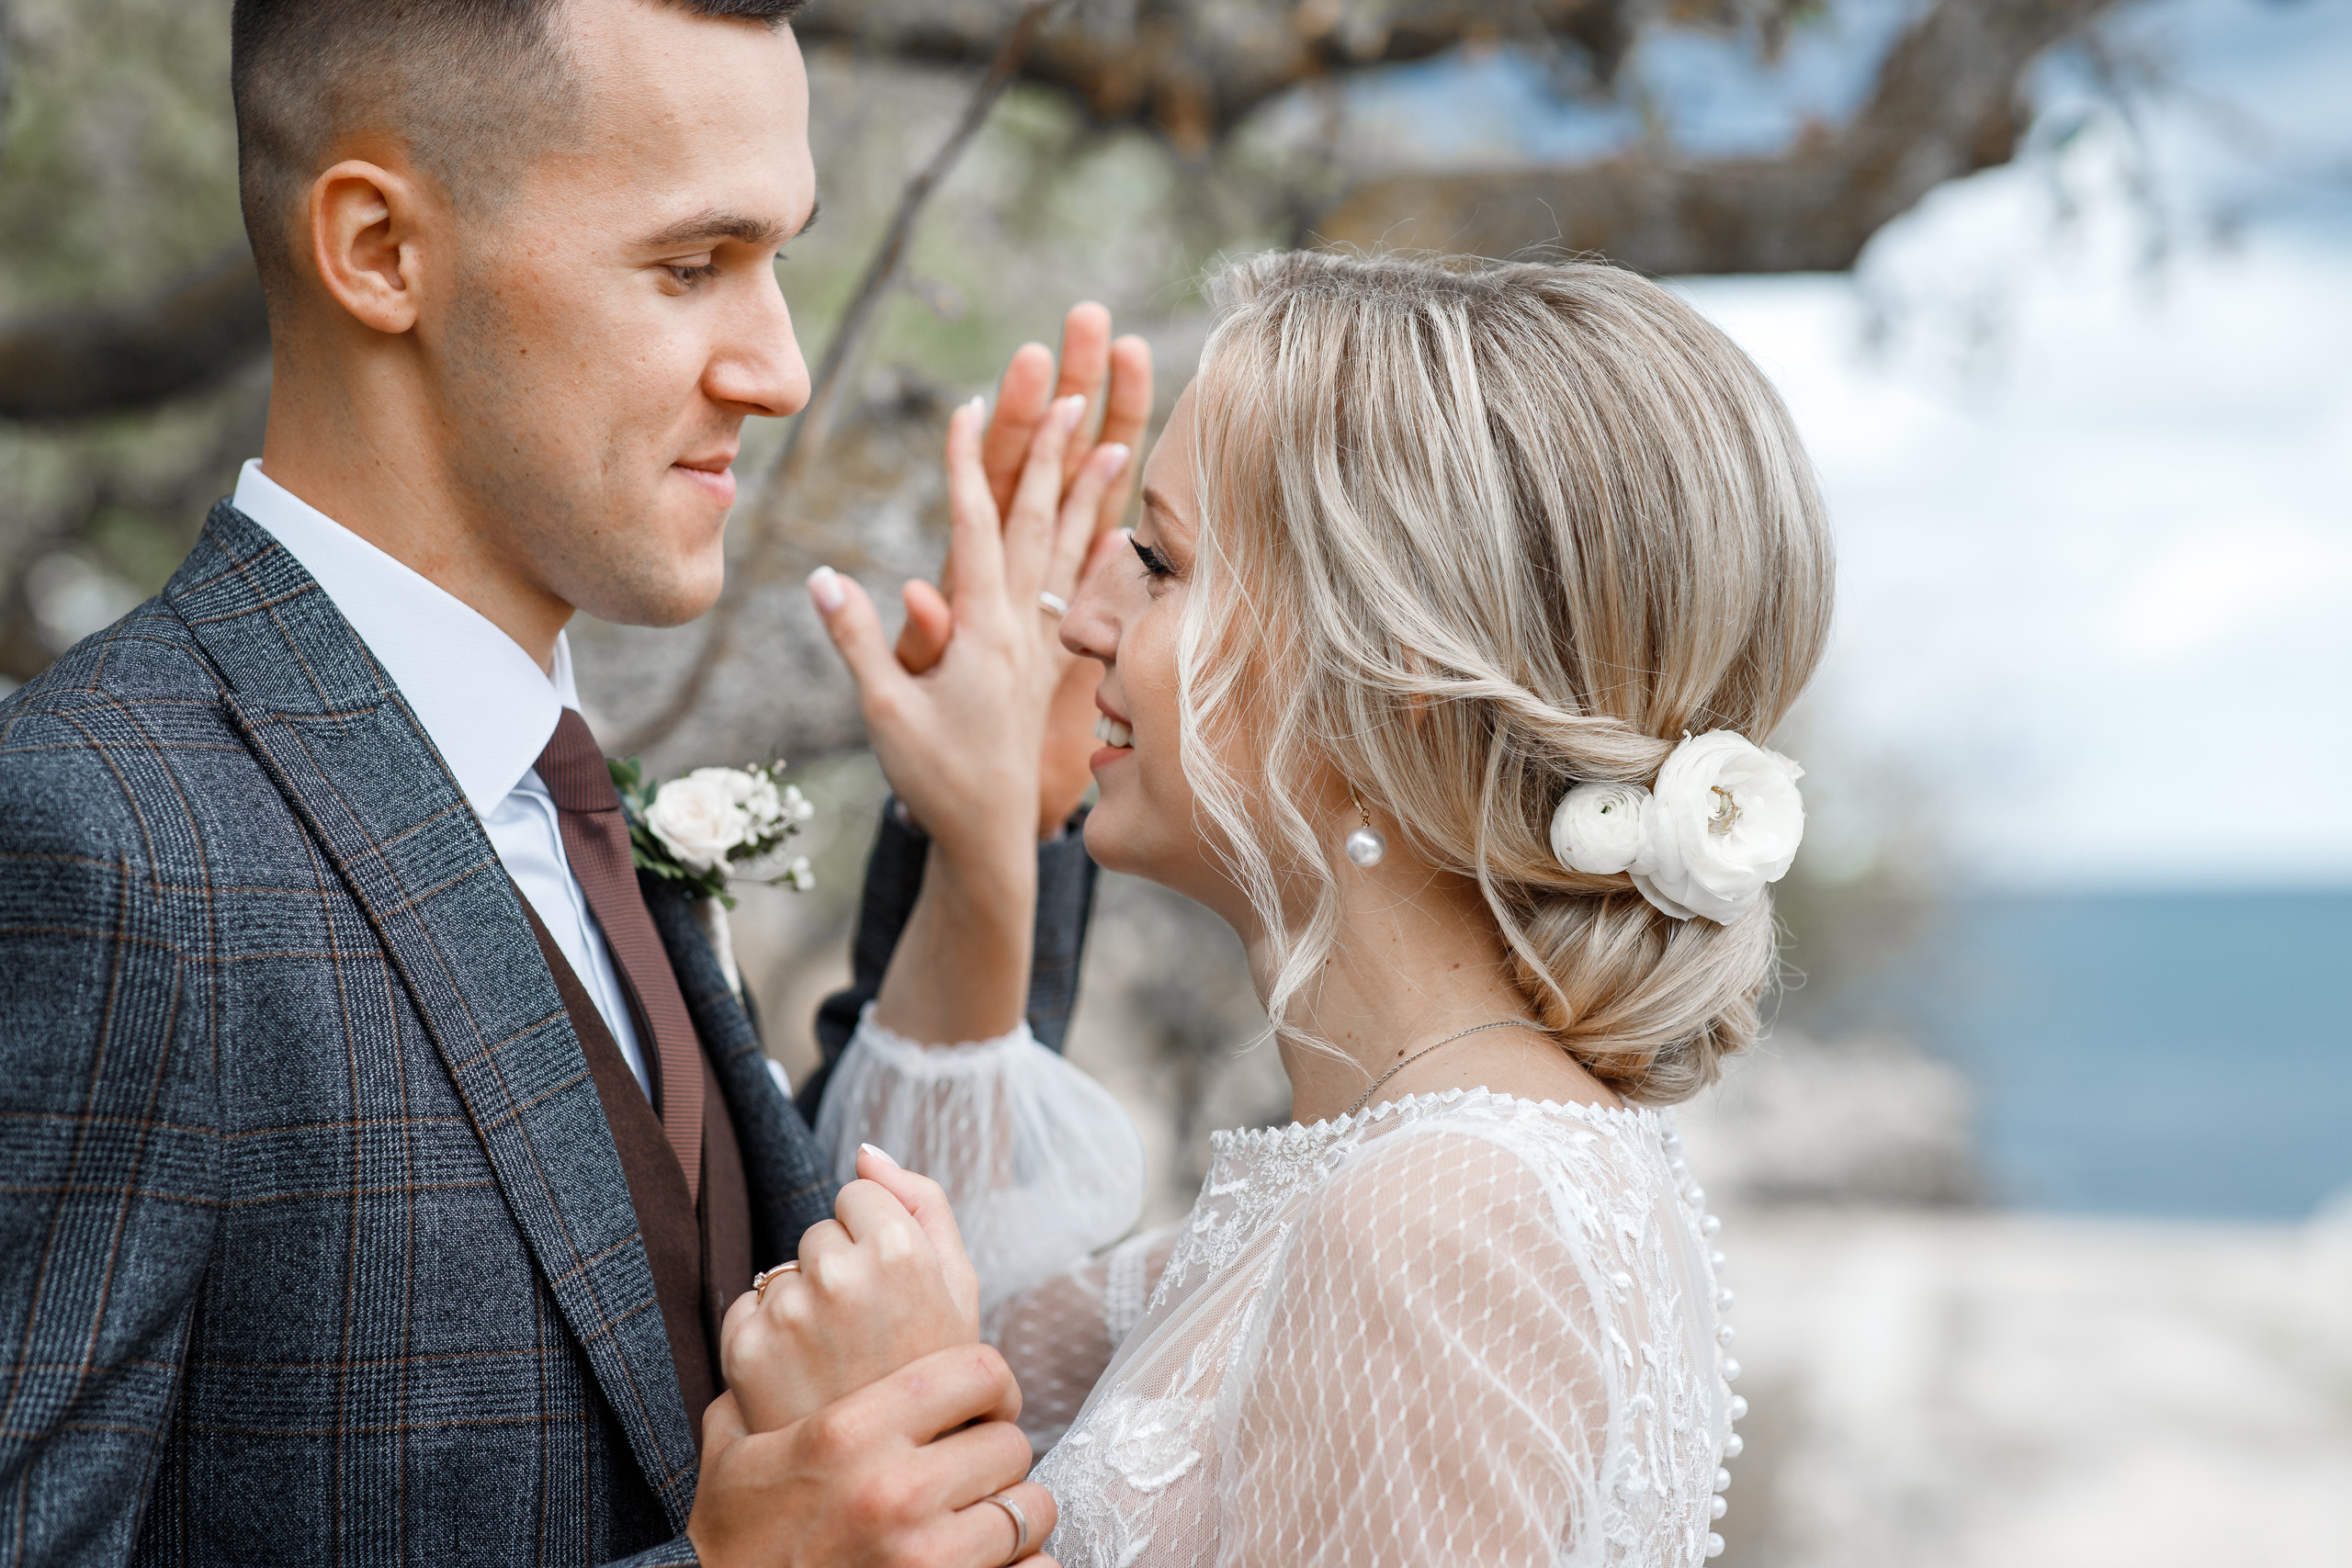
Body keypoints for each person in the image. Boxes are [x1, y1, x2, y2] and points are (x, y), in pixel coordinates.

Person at [0, 0, 1148, 1562]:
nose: (783, 369)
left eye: (780, 265)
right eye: (691, 268)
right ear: (380, 250)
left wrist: (983, 847)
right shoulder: (89, 836)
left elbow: (673, 1283)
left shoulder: (563, 797)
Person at [768, 250, 1833, 1564]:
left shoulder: (1441, 1226)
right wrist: (992, 842)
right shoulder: (1387, 1179)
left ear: (1388, 679)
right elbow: (950, 1331)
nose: (1081, 610)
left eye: (1157, 562)